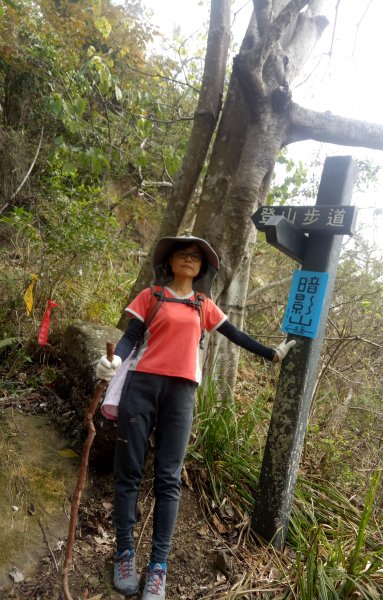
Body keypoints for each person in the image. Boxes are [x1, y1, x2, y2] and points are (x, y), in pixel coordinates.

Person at [95, 236, 295, 599]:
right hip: (142, 386)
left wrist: (271, 354)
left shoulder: (204, 305)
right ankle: (124, 552)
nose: (189, 259)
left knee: (169, 477)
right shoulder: (150, 296)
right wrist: (114, 361)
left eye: (195, 257)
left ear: (202, 268)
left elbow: (234, 334)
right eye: (182, 254)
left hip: (182, 393)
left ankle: (158, 566)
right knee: (129, 471)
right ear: (169, 261)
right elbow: (130, 338)